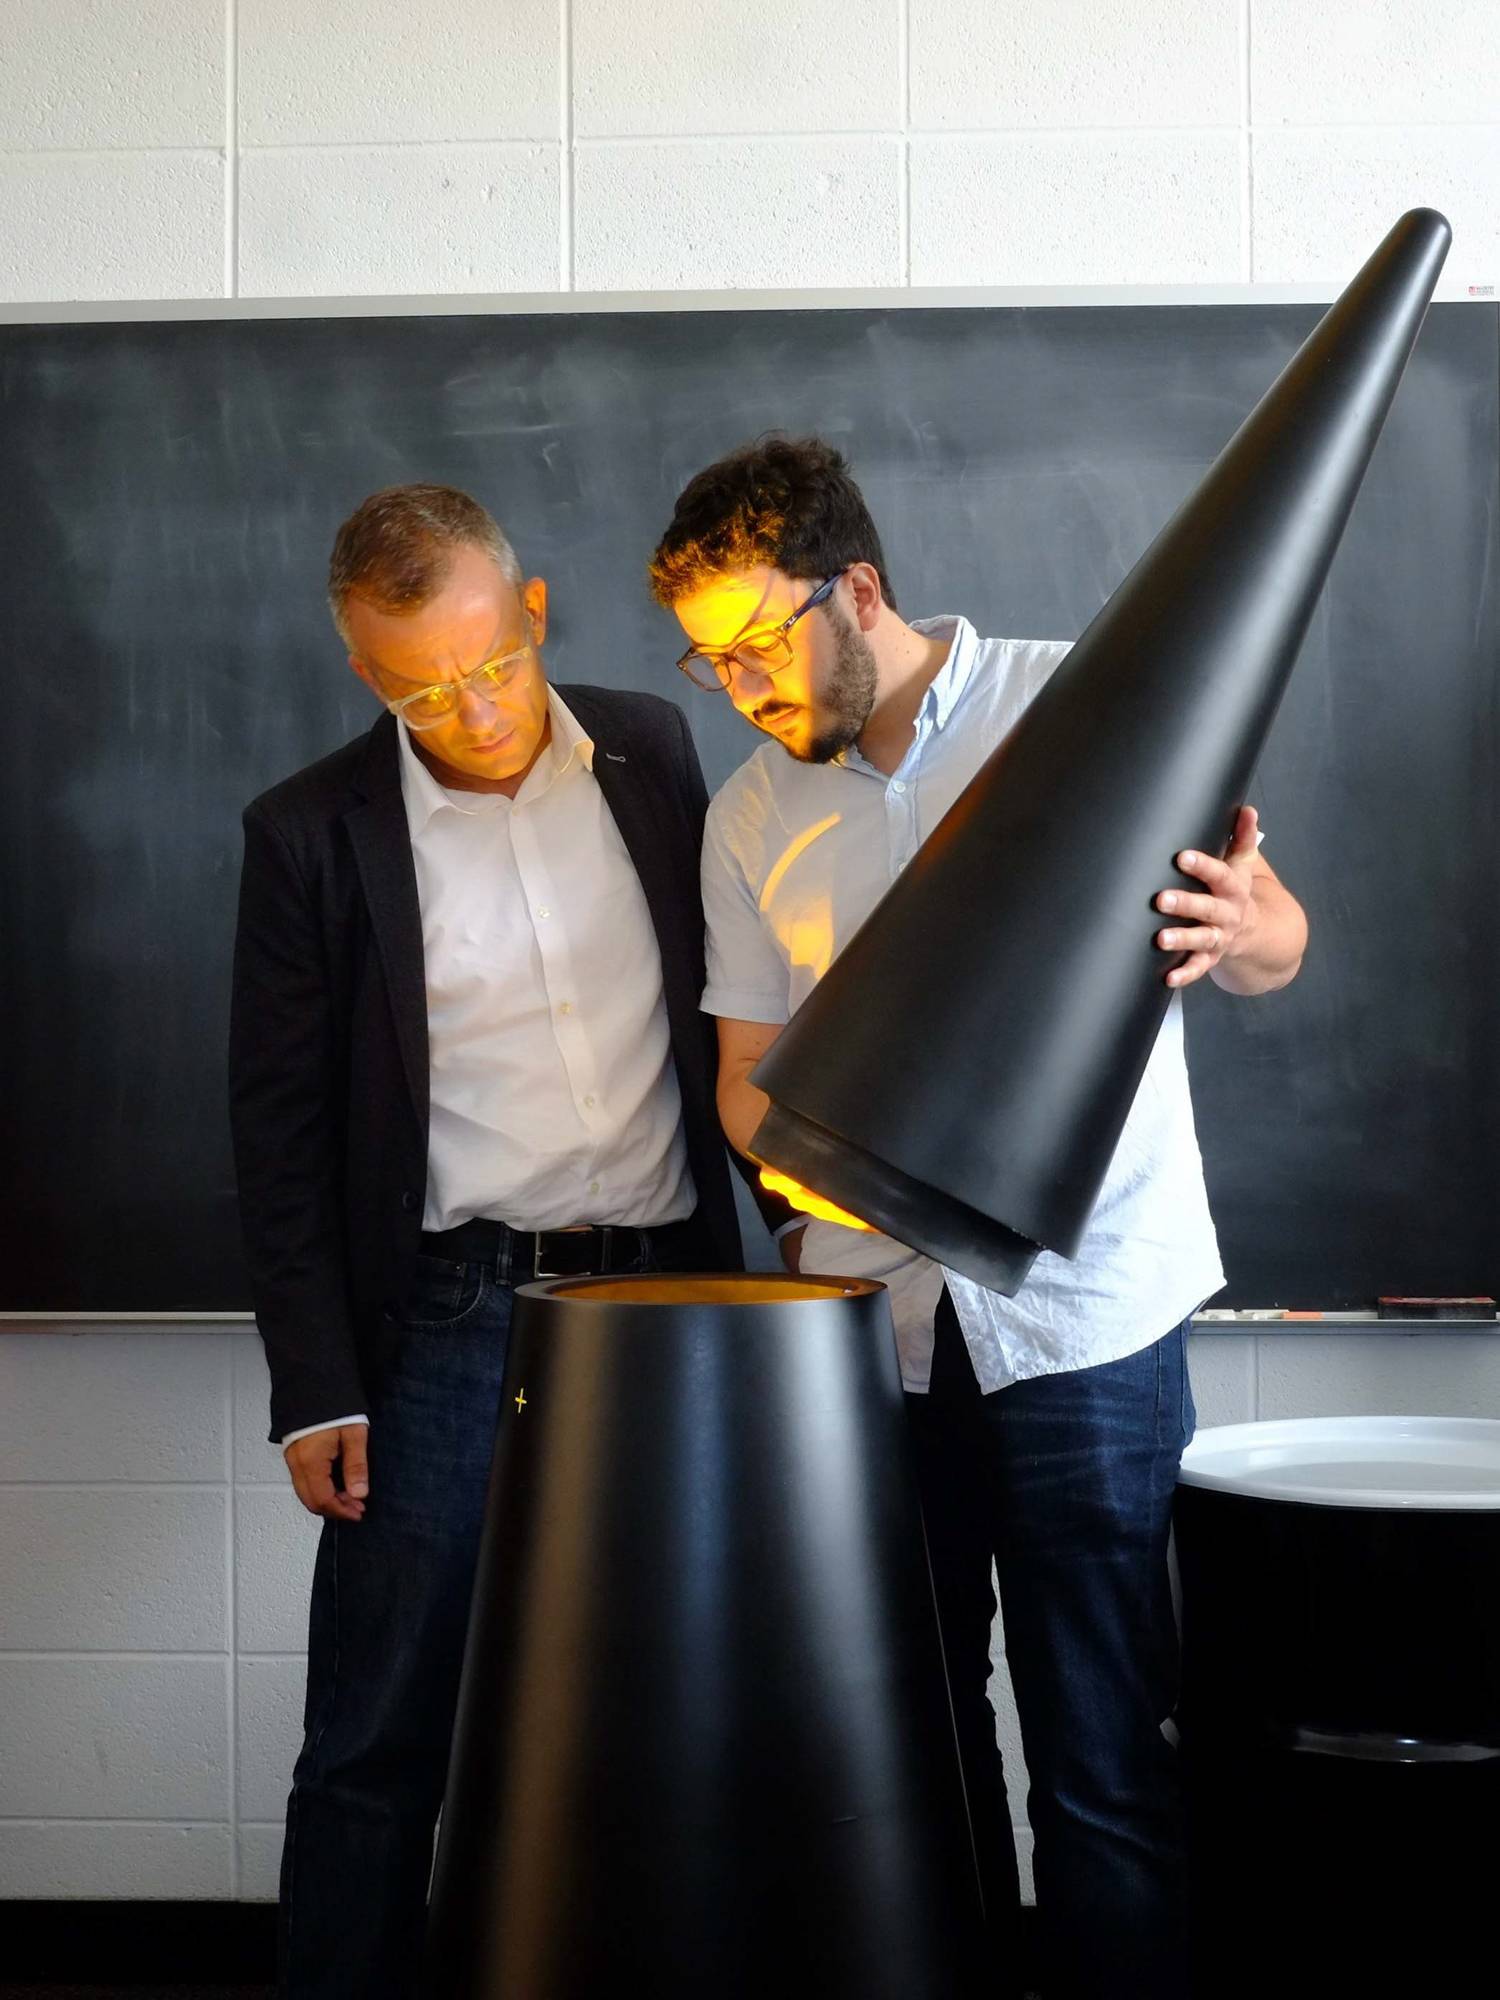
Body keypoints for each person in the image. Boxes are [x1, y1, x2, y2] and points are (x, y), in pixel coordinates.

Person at [649, 436, 1309, 2000]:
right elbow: (743, 1080)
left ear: (856, 591)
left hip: (1089, 1327)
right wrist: (835, 1184)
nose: (734, 687)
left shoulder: (1082, 701)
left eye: (754, 644)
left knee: (1105, 1765)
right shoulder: (749, 817)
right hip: (875, 1351)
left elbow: (1271, 945)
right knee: (911, 1758)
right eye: (704, 661)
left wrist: (1261, 930)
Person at [230, 482, 769, 1997]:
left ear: (533, 614)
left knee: (666, 1701)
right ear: (362, 671)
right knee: (377, 1734)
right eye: (417, 686)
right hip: (451, 1318)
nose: (464, 711)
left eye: (488, 666)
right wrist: (317, 1387)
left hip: (676, 1297)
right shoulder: (307, 837)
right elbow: (275, 1137)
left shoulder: (656, 754)